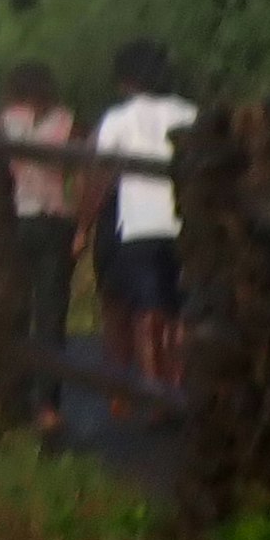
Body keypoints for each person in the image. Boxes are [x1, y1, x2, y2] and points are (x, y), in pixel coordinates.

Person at [80, 40, 198, 396]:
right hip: (188, 225)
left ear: (127, 80)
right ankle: (181, 382)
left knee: (149, 312)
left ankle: (153, 389)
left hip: (140, 227)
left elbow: (100, 176)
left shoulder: (118, 120)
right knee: (183, 309)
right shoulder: (191, 114)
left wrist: (84, 226)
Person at [0, 58, 79, 363]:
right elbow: (77, 173)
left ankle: (17, 385)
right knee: (51, 309)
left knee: (16, 303)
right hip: (55, 217)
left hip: (19, 217)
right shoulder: (66, 121)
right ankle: (47, 400)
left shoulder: (7, 121)